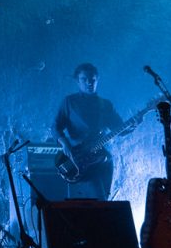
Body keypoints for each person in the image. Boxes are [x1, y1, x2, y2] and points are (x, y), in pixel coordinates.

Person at [52, 63, 125, 200]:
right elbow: (56, 127)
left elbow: (120, 129)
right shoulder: (69, 102)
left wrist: (135, 123)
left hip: (103, 158)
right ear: (77, 81)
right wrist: (65, 144)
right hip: (80, 158)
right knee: (98, 199)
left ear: (97, 80)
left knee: (105, 198)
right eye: (84, 79)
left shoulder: (105, 104)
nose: (89, 83)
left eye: (92, 79)